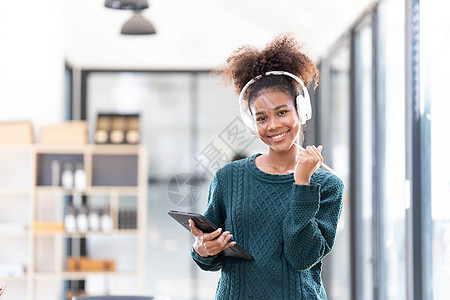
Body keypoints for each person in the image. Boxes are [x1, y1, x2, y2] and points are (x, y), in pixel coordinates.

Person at [188, 34, 344, 300]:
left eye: (282, 112)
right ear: (252, 124)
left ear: (301, 110)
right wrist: (202, 249)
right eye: (262, 117)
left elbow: (302, 257)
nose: (272, 125)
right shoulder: (229, 178)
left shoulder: (328, 185)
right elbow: (212, 256)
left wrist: (303, 184)